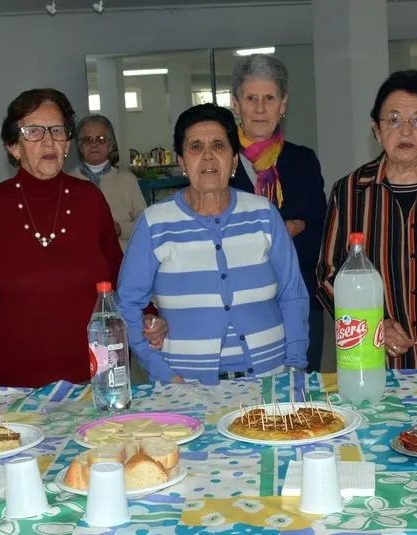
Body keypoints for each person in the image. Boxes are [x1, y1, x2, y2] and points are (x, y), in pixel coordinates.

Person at [0, 89, 142, 388]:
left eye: (57, 131)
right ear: (13, 147)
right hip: (17, 377)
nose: (48, 141)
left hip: (94, 371)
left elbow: (119, 271)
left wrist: (149, 315)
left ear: (67, 143)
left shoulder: (90, 199)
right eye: (33, 132)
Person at [117, 103, 310, 384]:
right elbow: (127, 305)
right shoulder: (154, 223)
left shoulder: (264, 214)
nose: (208, 155)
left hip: (271, 379)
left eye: (218, 145)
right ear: (182, 162)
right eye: (195, 147)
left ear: (234, 160)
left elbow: (293, 295)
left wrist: (294, 365)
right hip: (185, 386)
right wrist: (163, 374)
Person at [317, 70, 417, 369]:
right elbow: (328, 273)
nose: (405, 132)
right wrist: (372, 322)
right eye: (393, 120)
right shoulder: (351, 190)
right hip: (375, 362)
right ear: (376, 130)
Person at [228, 54, 328, 372]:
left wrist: (261, 235)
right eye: (251, 98)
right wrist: (285, 229)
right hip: (237, 308)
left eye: (269, 98)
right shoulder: (220, 162)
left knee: (301, 394)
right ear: (236, 104)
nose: (260, 108)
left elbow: (321, 233)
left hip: (301, 300)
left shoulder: (303, 161)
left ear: (283, 104)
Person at [71, 114, 148, 251]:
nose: (94, 144)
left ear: (110, 145)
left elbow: (145, 222)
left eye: (101, 139)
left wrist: (119, 228)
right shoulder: (69, 180)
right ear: (80, 146)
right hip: (80, 255)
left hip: (122, 257)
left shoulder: (127, 179)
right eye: (88, 140)